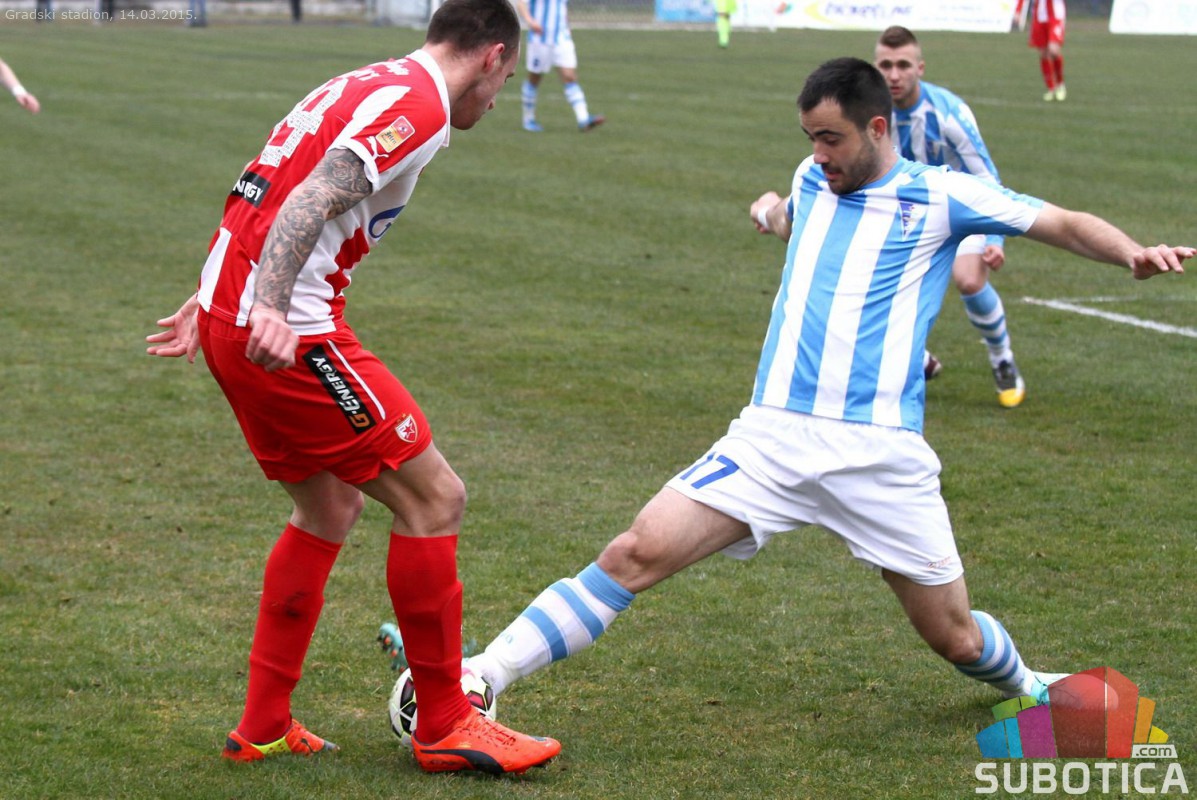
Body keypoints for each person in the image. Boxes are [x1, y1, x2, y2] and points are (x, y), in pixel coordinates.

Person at [436, 58, 1188, 747]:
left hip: (878, 455)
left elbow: (1058, 221)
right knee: (634, 552)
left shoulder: (938, 195)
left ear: (877, 128)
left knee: (955, 637)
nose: (818, 154)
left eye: (831, 139)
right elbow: (797, 223)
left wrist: (1129, 250)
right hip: (770, 437)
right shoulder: (810, 178)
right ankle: (480, 678)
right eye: (810, 139)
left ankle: (1027, 685)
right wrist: (770, 210)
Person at [145, 0, 560, 776]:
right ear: (492, 57)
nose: (498, 98)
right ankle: (446, 723)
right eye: (505, 81)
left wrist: (216, 297)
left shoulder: (365, 80)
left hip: (234, 315)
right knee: (434, 499)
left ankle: (263, 725)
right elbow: (310, 196)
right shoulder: (419, 106)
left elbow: (260, 186)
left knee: (328, 506)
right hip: (287, 332)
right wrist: (268, 306)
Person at [874, 25, 1024, 407]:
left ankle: (1002, 359)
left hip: (961, 208)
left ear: (920, 68)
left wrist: (995, 239)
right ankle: (917, 359)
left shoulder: (949, 114)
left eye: (903, 65)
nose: (894, 75)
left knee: (970, 281)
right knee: (867, 281)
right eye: (886, 65)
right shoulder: (871, 114)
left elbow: (986, 178)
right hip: (905, 215)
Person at [516, 0, 604, 132]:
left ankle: (583, 119)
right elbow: (521, 3)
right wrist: (530, 21)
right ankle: (528, 119)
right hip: (540, 39)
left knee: (570, 76)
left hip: (562, 38)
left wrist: (567, 26)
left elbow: (562, 8)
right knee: (534, 78)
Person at [1014, 0, 1066, 101]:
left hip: (1055, 16)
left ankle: (1060, 84)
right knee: (1043, 53)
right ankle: (1051, 88)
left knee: (1054, 50)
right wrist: (1018, 10)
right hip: (1039, 17)